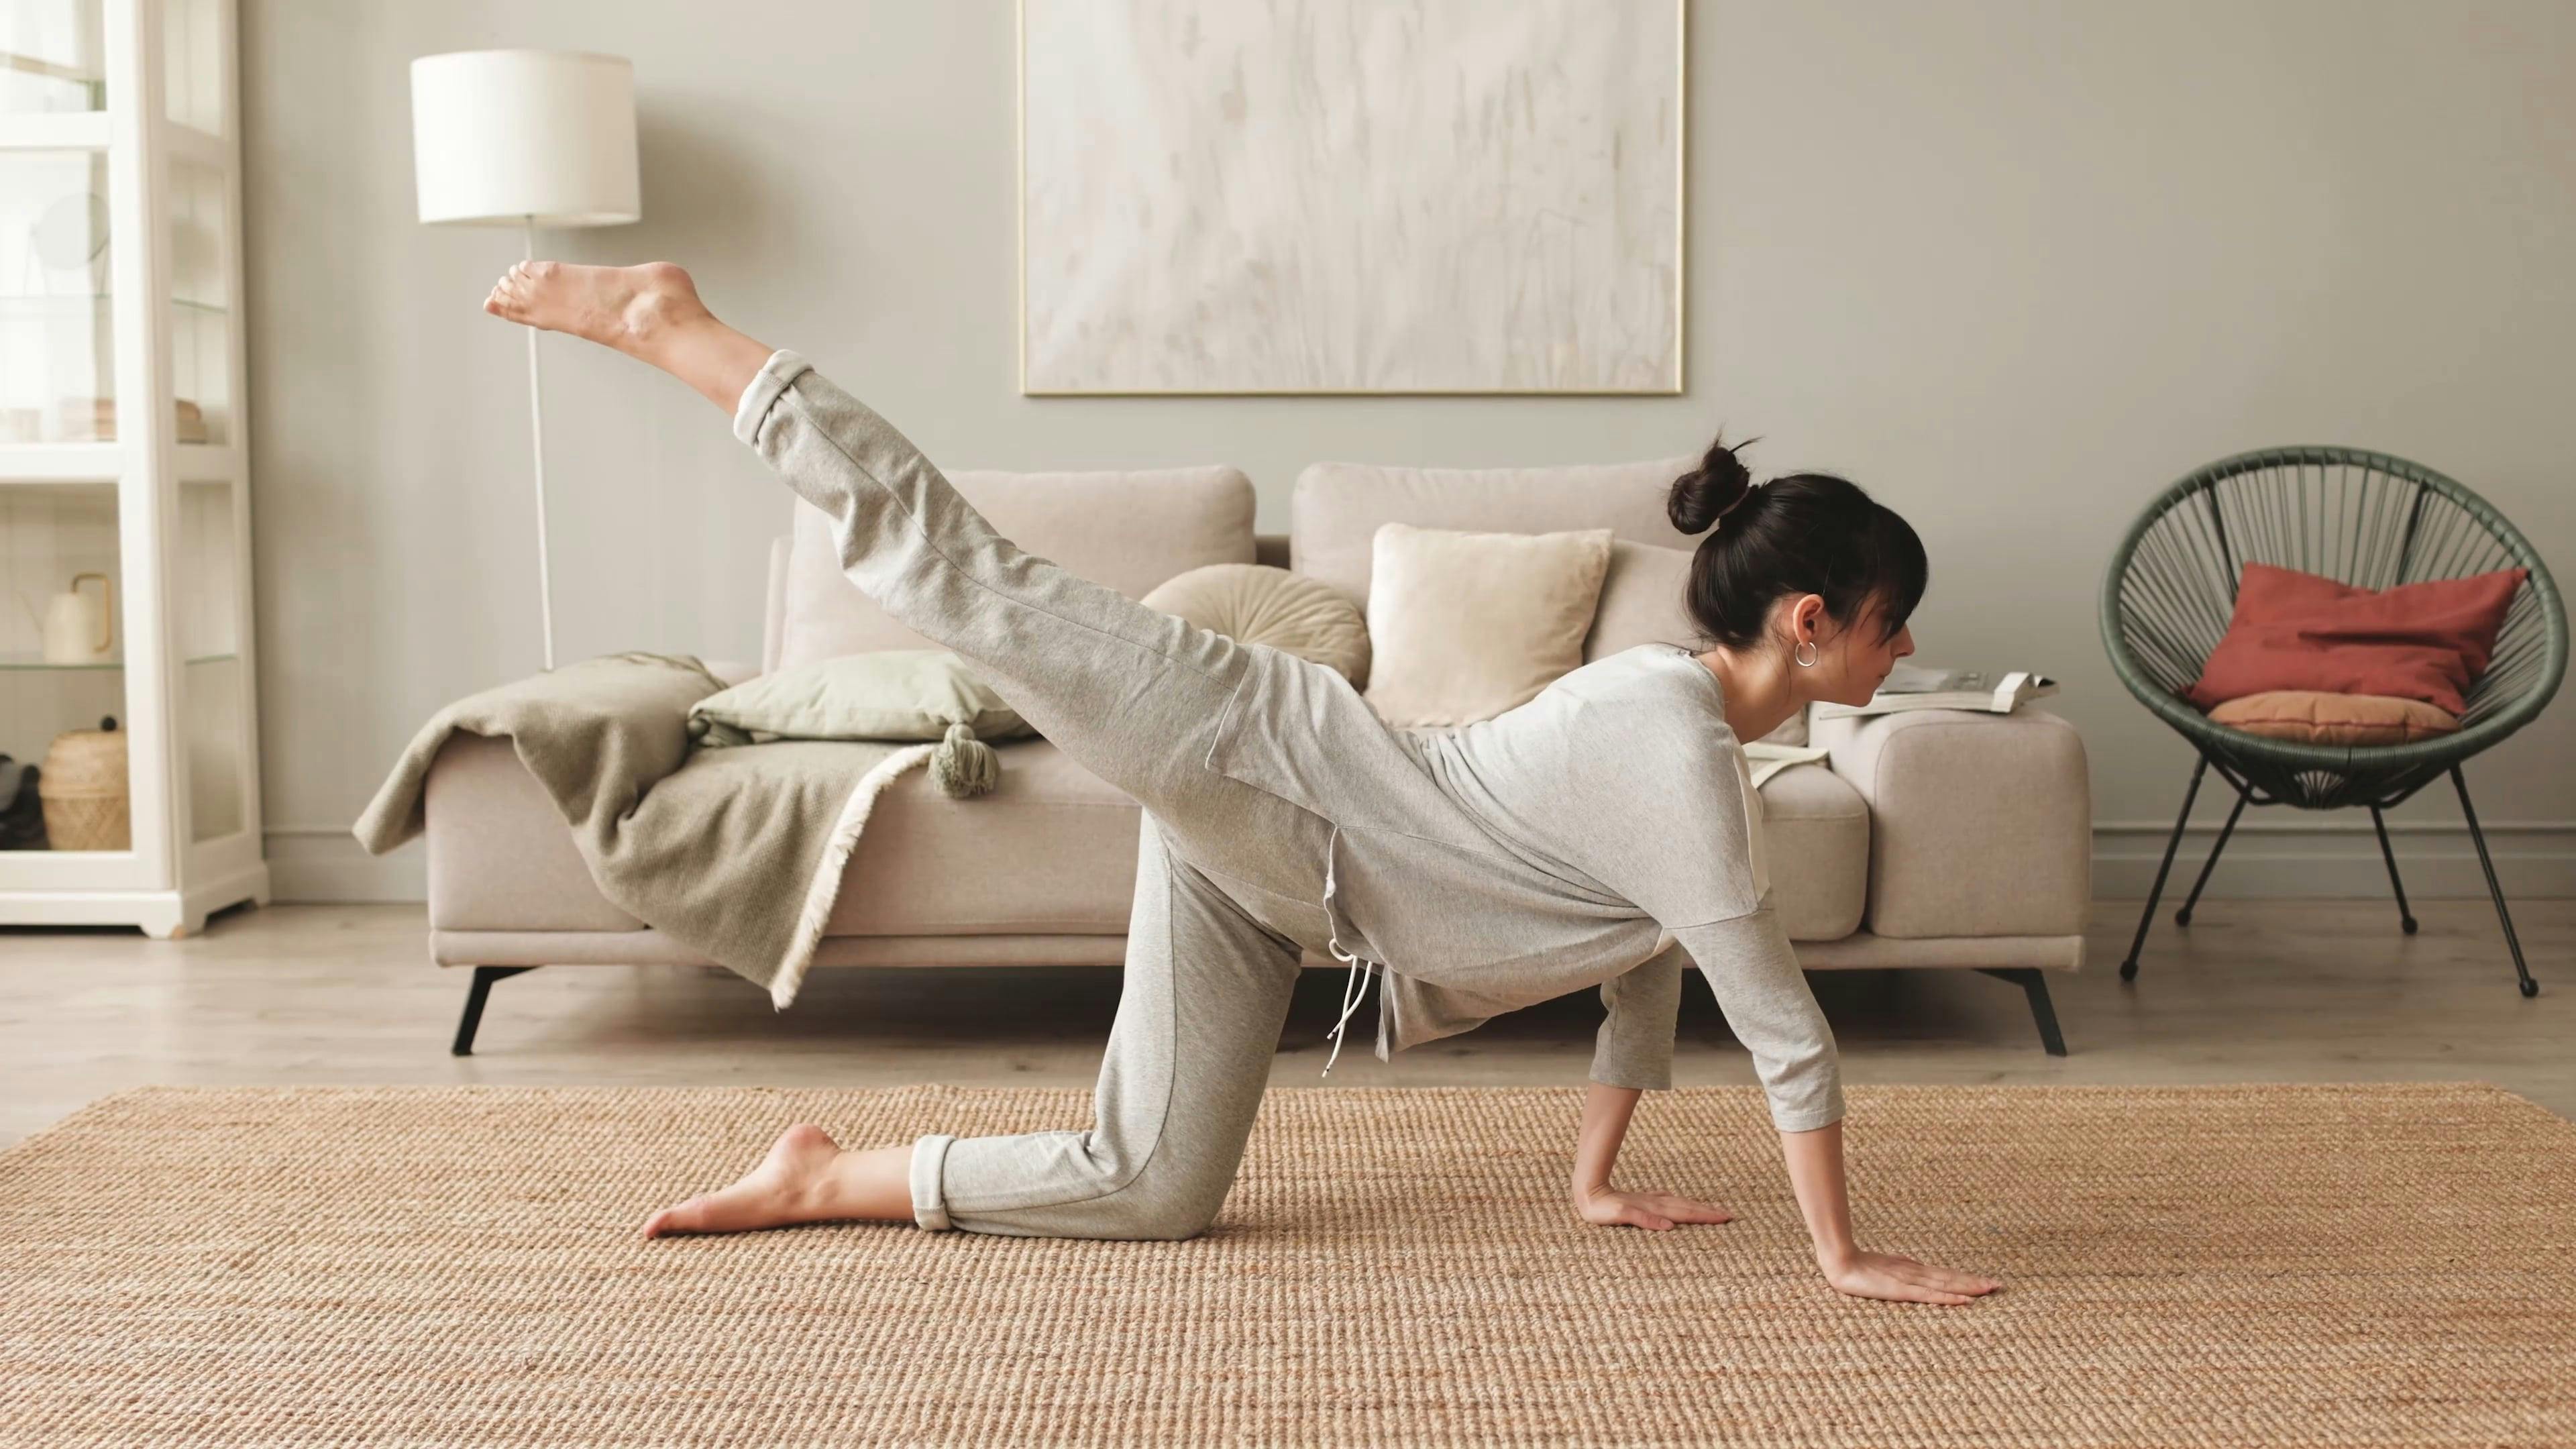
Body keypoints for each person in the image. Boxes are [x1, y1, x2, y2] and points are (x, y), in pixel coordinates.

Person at [482, 260, 2004, 1307]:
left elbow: (1641, 975)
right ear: (1813, 624)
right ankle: (682, 329)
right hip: (1246, 744)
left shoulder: (1688, 773)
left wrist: (1597, 1185)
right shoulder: (1680, 749)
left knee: (1153, 1189)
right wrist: (1844, 1259)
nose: (1909, 643)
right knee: (967, 582)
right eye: (1891, 620)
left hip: (1270, 866)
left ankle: (821, 1180)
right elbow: (1785, 1034)